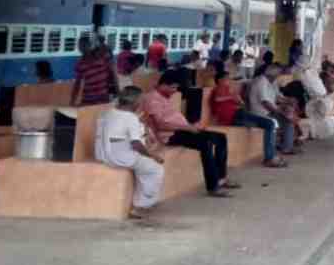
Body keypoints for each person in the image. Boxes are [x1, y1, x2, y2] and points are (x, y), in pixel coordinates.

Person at [139, 71, 239, 197]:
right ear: (163, 84)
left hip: (181, 130)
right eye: (173, 87)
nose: (175, 91)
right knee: (205, 143)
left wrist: (190, 126)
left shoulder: (163, 96)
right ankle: (213, 187)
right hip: (170, 135)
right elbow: (160, 125)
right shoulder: (152, 99)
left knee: (220, 138)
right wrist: (187, 127)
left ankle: (222, 178)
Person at [95, 86, 166, 219]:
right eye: (141, 101)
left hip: (102, 154)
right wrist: (153, 156)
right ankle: (141, 207)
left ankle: (141, 203)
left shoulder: (107, 112)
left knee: (143, 165)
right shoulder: (130, 117)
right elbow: (136, 144)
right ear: (135, 102)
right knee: (155, 169)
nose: (141, 104)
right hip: (119, 156)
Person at [210, 70, 287, 167]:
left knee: (269, 124)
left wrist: (238, 100)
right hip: (234, 115)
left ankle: (271, 155)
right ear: (220, 80)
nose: (229, 80)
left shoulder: (228, 89)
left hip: (238, 115)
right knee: (269, 124)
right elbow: (218, 99)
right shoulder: (219, 88)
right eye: (227, 78)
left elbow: (240, 103)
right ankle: (269, 158)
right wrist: (231, 97)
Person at [247, 63, 299, 157]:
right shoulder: (260, 82)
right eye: (278, 74)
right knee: (287, 119)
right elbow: (266, 103)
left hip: (270, 110)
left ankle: (286, 145)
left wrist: (288, 101)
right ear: (273, 74)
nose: (279, 76)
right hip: (261, 113)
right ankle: (286, 147)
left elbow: (277, 96)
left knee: (290, 114)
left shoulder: (272, 81)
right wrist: (281, 112)